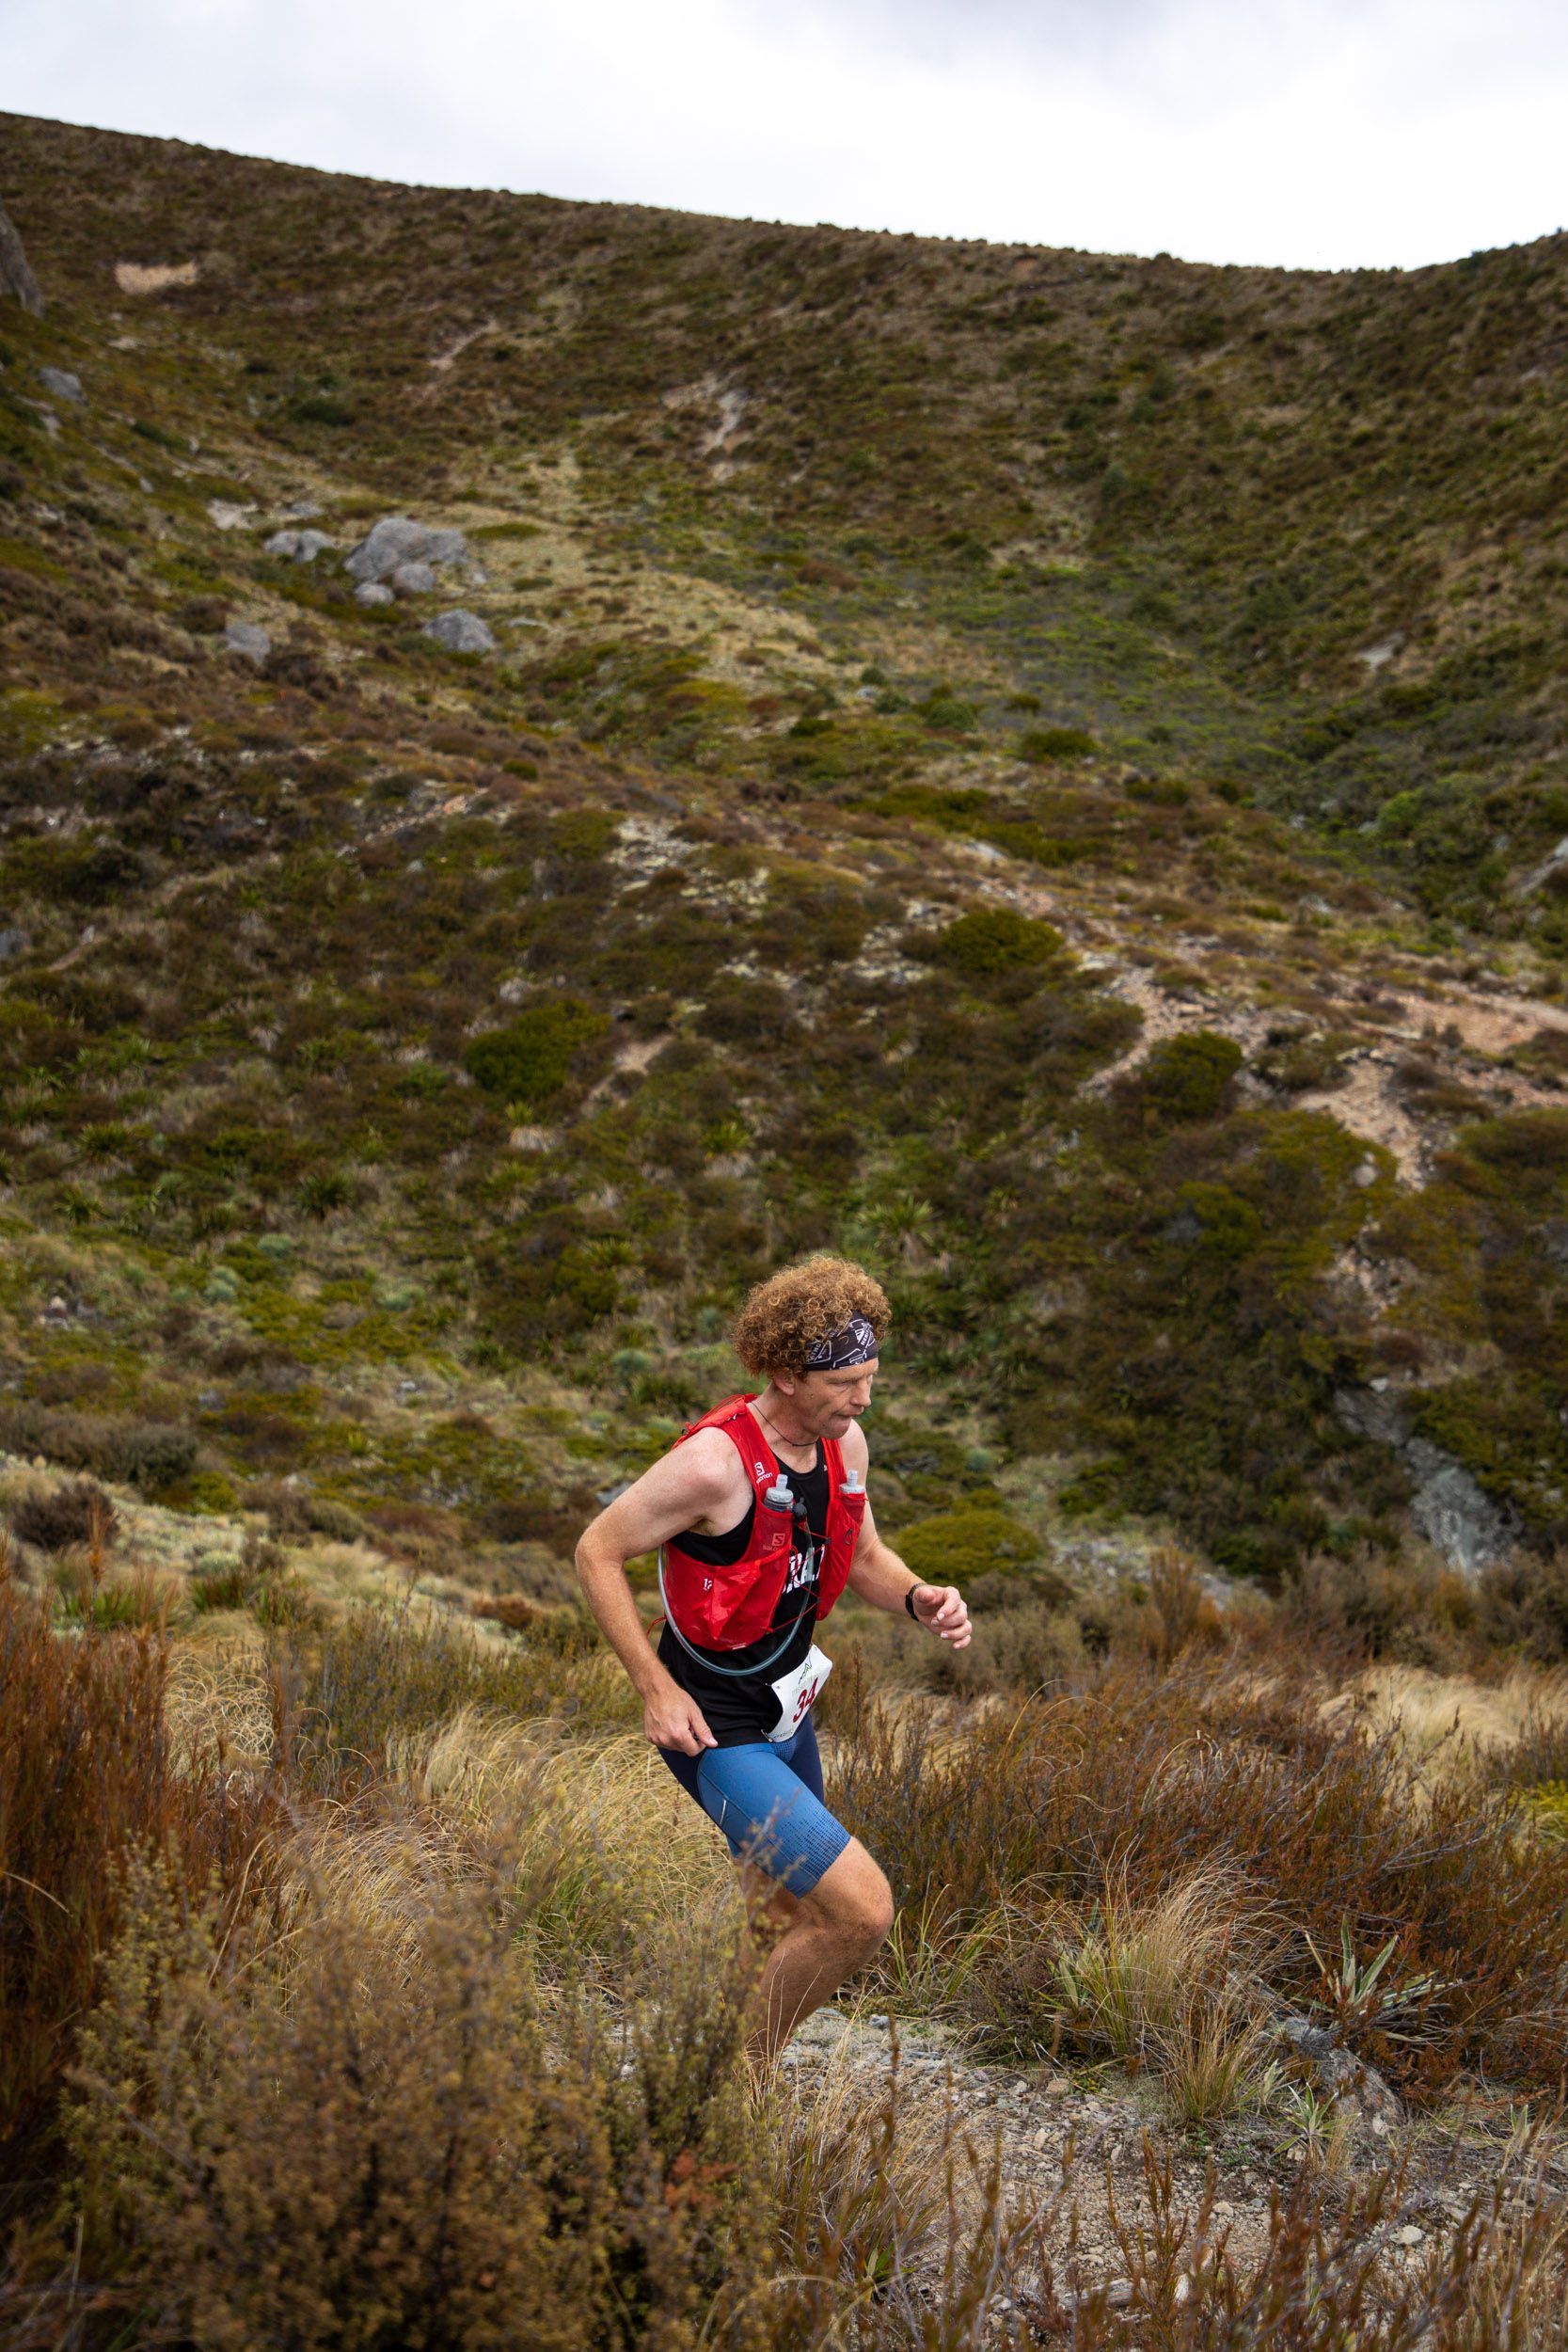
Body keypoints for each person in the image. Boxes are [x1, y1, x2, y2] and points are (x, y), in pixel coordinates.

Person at [574, 1254, 972, 2064]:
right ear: (787, 1373)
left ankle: (703, 2060)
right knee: (859, 1911)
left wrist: (917, 1596)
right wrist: (652, 1689)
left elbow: (862, 1558)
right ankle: (730, 2074)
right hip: (715, 1729)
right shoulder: (712, 1465)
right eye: (845, 1383)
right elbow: (596, 1549)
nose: (863, 1399)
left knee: (779, 1917)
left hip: (788, 1712)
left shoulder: (842, 1443)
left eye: (870, 1377)